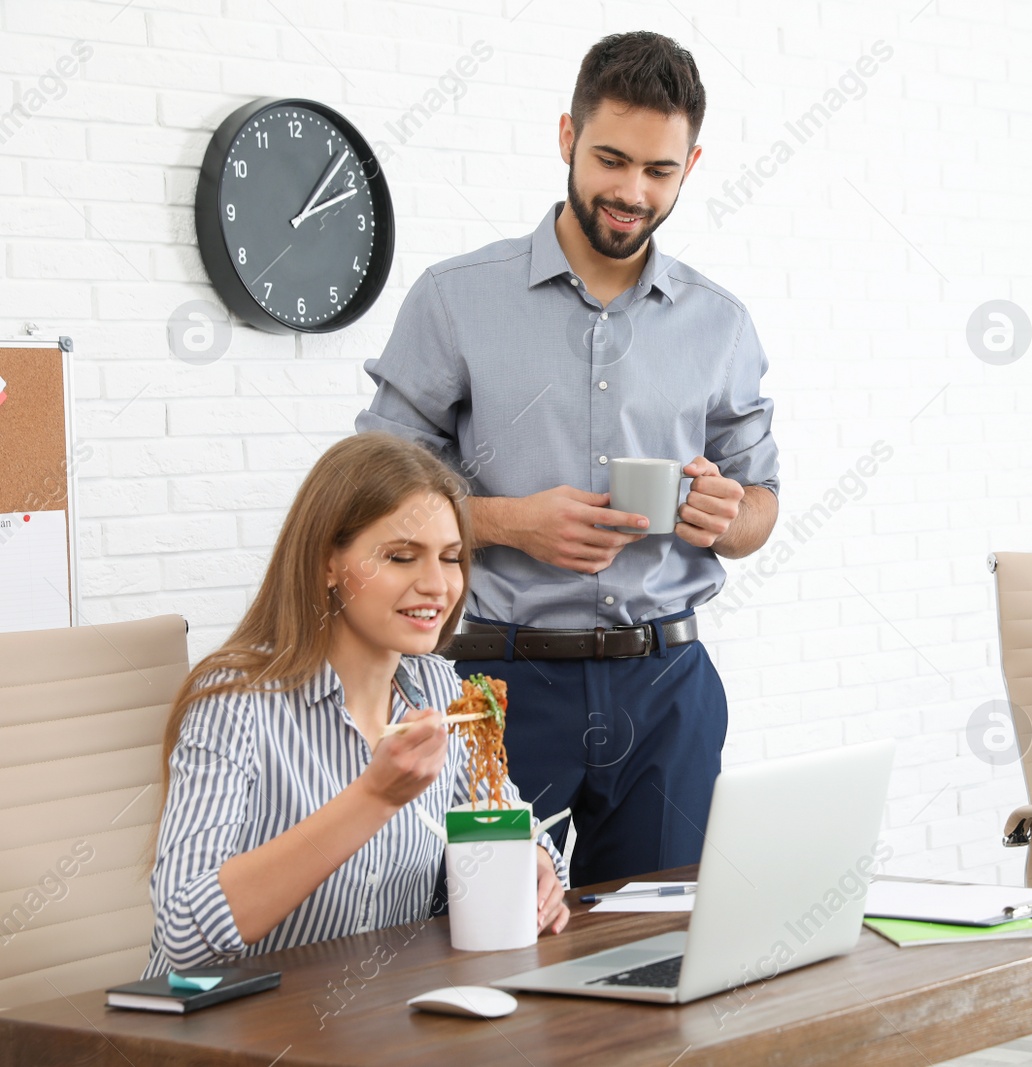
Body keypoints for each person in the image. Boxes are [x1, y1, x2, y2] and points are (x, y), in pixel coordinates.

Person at [356, 32, 779, 887]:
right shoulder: (455, 299)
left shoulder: (720, 323)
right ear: (566, 139)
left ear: (691, 164)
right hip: (495, 682)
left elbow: (762, 501)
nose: (631, 192)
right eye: (611, 160)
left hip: (669, 687)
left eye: (658, 171)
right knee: (488, 937)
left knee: (665, 951)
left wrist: (730, 517)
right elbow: (369, 495)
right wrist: (510, 522)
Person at [145, 433, 569, 976]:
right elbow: (183, 934)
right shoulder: (234, 703)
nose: (438, 586)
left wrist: (534, 864)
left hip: (375, 1020)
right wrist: (373, 797)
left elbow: (515, 828)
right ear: (327, 564)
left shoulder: (444, 693)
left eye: (451, 558)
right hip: (230, 1033)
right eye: (400, 557)